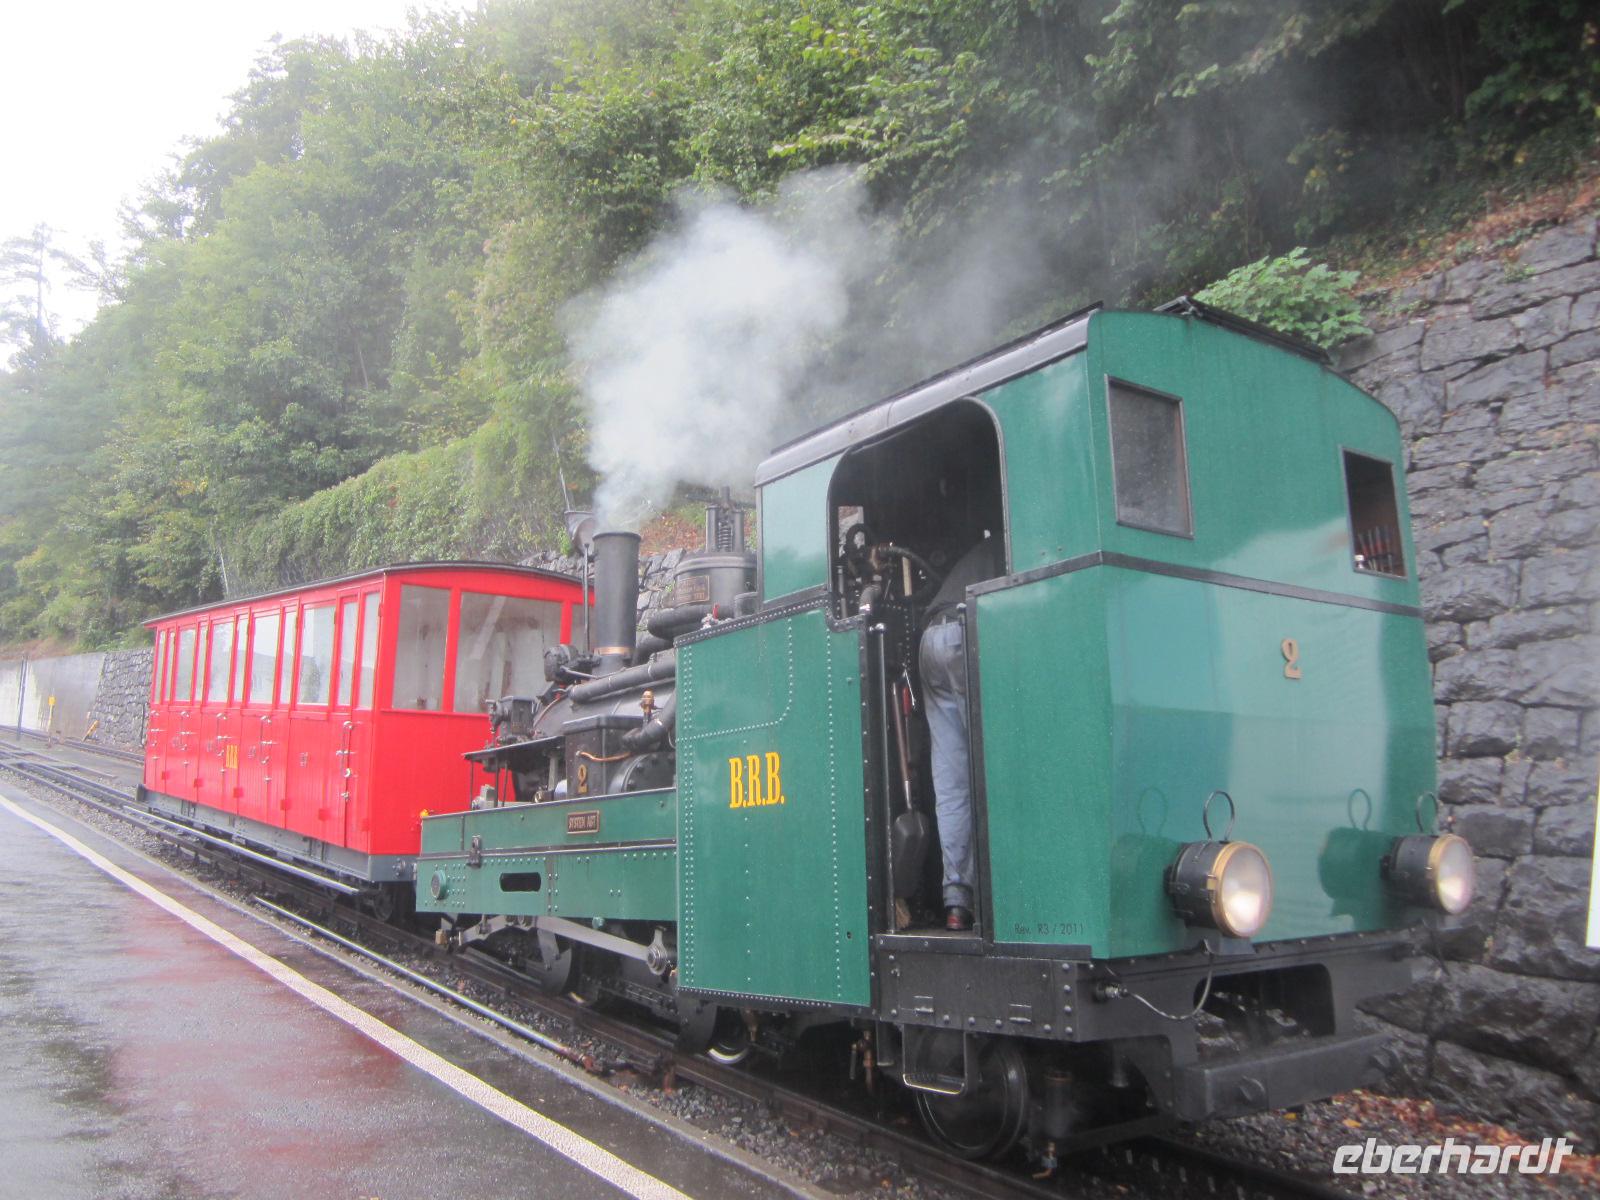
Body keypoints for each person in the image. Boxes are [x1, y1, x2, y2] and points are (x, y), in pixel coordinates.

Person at [918, 533, 1000, 932]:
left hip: (931, 637)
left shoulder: (979, 550)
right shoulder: (1014, 540)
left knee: (952, 780)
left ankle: (957, 901)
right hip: (966, 630)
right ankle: (995, 898)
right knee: (988, 763)